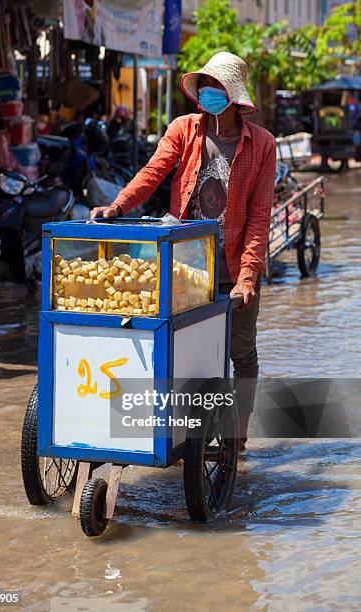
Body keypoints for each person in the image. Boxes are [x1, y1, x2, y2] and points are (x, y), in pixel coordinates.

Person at [91, 52, 276, 449]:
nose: (208, 94)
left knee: (241, 354)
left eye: (216, 88)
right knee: (183, 350)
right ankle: (180, 434)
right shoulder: (184, 129)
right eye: (204, 87)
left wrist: (246, 280)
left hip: (234, 267)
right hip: (186, 264)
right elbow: (153, 172)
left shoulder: (262, 144)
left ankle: (236, 438)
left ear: (233, 95)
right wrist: (118, 205)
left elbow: (260, 218)